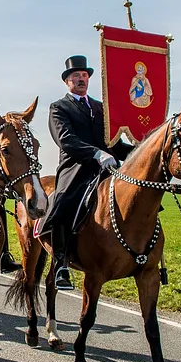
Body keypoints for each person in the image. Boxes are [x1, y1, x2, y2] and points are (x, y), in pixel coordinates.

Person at [45, 55, 134, 290]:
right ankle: (61, 264)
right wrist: (96, 154)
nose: (81, 79)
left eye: (84, 75)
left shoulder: (101, 108)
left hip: (107, 169)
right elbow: (66, 140)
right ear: (67, 81)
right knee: (63, 204)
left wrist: (139, 150)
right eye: (76, 76)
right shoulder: (59, 107)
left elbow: (113, 143)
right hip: (76, 167)